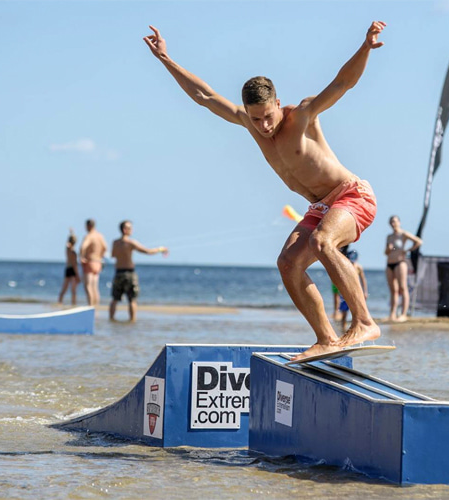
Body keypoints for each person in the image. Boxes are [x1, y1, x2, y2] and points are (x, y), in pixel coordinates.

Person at [144, 21, 385, 361]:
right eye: (256, 120)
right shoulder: (250, 124)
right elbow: (205, 96)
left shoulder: (301, 115)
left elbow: (343, 83)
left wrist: (364, 48)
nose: (264, 126)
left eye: (268, 116)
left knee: (322, 242)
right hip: (321, 205)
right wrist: (166, 59)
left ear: (278, 103)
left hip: (352, 194)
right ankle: (327, 338)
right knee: (287, 263)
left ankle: (364, 322)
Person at [110, 220, 169, 322]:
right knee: (132, 300)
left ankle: (111, 319)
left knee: (115, 299)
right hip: (129, 273)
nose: (131, 230)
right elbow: (148, 251)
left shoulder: (115, 243)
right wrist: (161, 249)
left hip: (118, 272)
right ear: (125, 230)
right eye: (129, 228)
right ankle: (132, 320)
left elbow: (113, 255)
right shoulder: (131, 242)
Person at [384, 215, 422, 322]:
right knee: (393, 290)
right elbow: (386, 253)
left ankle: (404, 314)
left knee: (402, 288)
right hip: (389, 263)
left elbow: (418, 241)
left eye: (395, 221)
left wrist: (408, 250)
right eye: (391, 222)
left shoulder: (403, 234)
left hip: (400, 263)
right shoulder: (389, 237)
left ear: (399, 222)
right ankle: (392, 314)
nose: (393, 224)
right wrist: (388, 248)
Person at [338, 249, 368, 331]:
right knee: (344, 311)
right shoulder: (346, 265)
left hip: (356, 291)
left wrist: (365, 292)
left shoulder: (358, 267)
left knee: (357, 311)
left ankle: (356, 327)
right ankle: (343, 328)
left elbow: (363, 280)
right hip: (345, 291)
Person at [80, 219, 107, 306]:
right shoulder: (100, 236)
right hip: (98, 262)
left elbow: (83, 246)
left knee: (88, 286)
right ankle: (96, 306)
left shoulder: (89, 236)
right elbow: (105, 247)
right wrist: (101, 256)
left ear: (88, 226)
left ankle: (90, 306)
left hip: (90, 262)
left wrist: (81, 257)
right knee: (95, 287)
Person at [58, 230, 81, 305]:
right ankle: (73, 304)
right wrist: (77, 275)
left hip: (67, 269)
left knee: (64, 288)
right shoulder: (73, 252)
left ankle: (59, 302)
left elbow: (68, 243)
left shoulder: (68, 249)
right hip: (72, 270)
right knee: (73, 290)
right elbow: (75, 264)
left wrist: (71, 233)